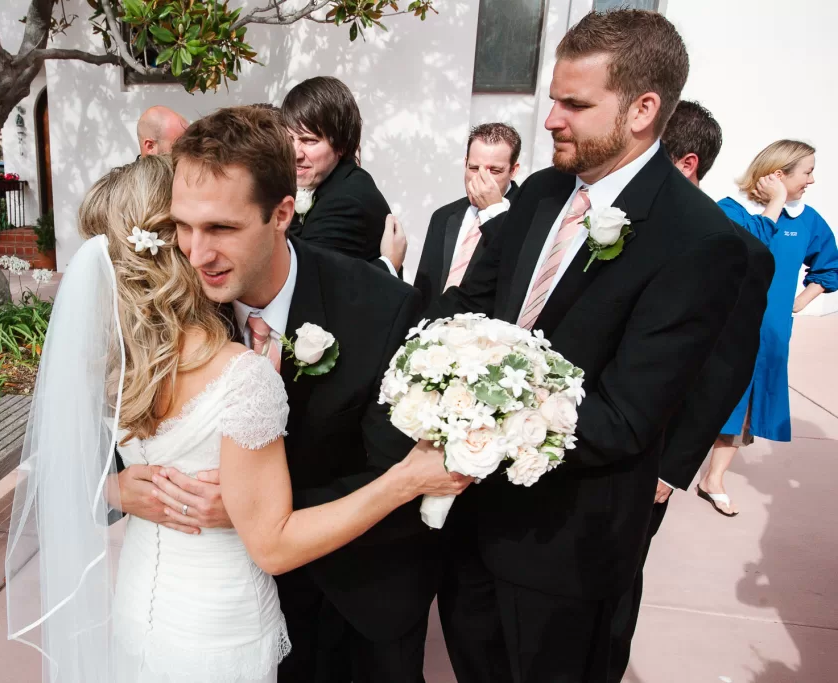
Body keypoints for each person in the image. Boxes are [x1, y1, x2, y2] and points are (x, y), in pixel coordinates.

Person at [6, 151, 468, 683]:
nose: (201, 249)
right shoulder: (157, 351)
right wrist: (113, 489)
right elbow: (79, 458)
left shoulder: (377, 307)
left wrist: (247, 508)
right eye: (185, 228)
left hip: (327, 600)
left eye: (218, 227)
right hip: (206, 608)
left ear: (280, 215)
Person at [432, 10, 749, 682]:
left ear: (642, 109)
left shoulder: (699, 241)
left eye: (574, 104)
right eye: (553, 99)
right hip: (468, 522)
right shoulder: (543, 192)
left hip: (564, 552)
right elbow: (462, 309)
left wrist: (479, 416)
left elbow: (625, 417)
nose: (550, 119)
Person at [606, 100, 775, 679]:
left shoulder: (741, 252)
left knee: (616, 580)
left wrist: (672, 468)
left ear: (684, 163)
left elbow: (725, 369)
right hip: (593, 435)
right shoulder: (615, 223)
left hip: (651, 457)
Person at [699, 140, 838, 515]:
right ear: (778, 175)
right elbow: (747, 251)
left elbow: (829, 266)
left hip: (770, 333)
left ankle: (713, 479)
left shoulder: (808, 220)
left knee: (743, 406)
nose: (812, 179)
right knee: (699, 394)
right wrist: (774, 204)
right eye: (806, 171)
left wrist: (797, 304)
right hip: (723, 327)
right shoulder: (730, 210)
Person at [280, 77, 400, 273]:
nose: (295, 153)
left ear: (341, 146)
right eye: (289, 139)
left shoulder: (346, 202)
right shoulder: (332, 181)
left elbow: (303, 279)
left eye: (309, 141)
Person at [414, 122, 522, 310]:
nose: (480, 178)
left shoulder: (525, 215)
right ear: (465, 163)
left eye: (494, 171)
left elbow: (515, 276)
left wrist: (493, 210)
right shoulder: (443, 216)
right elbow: (425, 288)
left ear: (513, 170)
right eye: (473, 168)